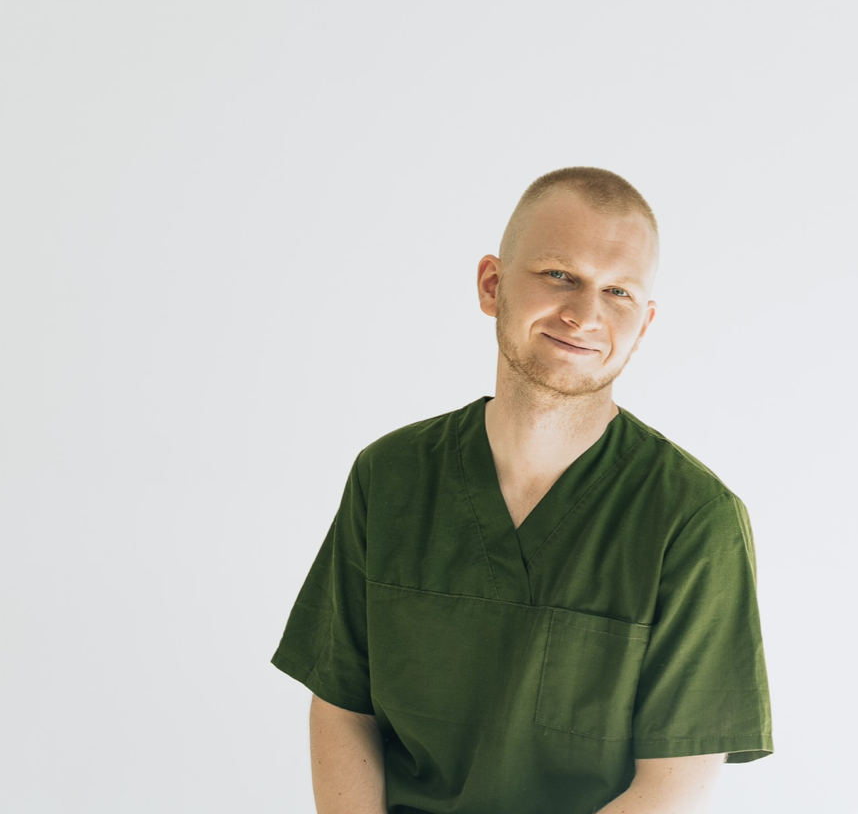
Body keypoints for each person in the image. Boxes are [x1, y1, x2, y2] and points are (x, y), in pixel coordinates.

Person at [271, 167, 773, 814]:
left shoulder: (692, 519)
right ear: (492, 284)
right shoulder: (390, 478)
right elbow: (343, 707)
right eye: (559, 274)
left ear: (644, 324)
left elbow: (674, 783)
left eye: (617, 291)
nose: (584, 315)